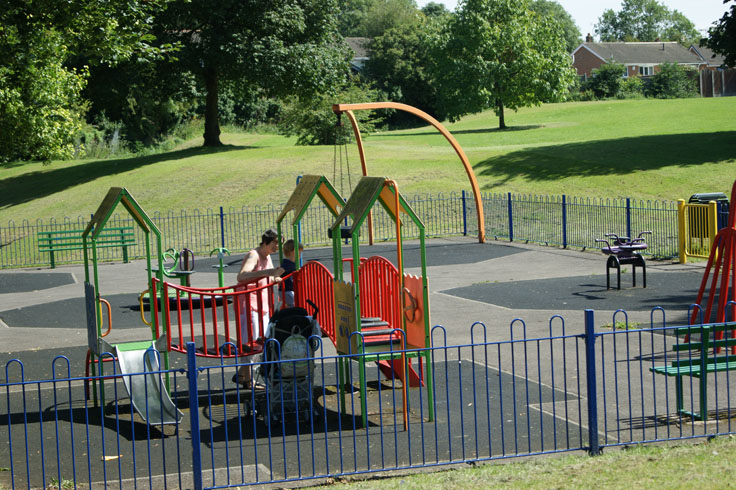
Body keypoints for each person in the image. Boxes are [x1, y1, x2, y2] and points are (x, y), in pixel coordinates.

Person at [233, 229, 284, 388]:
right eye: (276, 243)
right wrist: (268, 272)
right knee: (252, 341)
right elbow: (242, 276)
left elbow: (268, 275)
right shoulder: (253, 255)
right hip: (249, 303)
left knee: (260, 340)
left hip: (263, 304)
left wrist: (275, 277)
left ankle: (243, 375)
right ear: (266, 242)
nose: (278, 247)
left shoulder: (267, 257)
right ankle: (245, 377)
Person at [280, 239, 303, 308]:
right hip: (287, 290)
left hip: (288, 290)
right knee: (293, 306)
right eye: (300, 252)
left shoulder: (292, 263)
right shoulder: (287, 263)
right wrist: (277, 276)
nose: (300, 255)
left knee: (292, 305)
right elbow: (280, 270)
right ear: (294, 252)